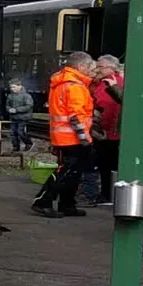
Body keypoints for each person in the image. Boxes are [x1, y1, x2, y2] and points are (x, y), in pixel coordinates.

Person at [32, 52, 97, 218]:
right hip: (71, 138)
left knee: (72, 172)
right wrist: (86, 139)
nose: (93, 72)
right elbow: (76, 116)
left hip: (63, 136)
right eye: (91, 68)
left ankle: (67, 204)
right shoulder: (75, 86)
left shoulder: (62, 82)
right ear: (81, 67)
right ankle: (43, 201)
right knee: (67, 171)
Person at [87, 54, 124, 206]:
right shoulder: (104, 83)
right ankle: (106, 194)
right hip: (105, 131)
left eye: (100, 67)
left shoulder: (115, 84)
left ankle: (107, 195)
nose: (97, 70)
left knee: (107, 164)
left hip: (109, 133)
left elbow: (112, 110)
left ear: (111, 68)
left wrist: (103, 130)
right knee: (104, 164)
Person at [4, 79, 34, 152]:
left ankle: (29, 143)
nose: (12, 89)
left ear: (19, 86)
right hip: (14, 117)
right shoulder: (10, 96)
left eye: (14, 87)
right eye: (11, 87)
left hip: (23, 117)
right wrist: (9, 109)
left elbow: (29, 106)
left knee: (20, 132)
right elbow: (7, 105)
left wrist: (16, 110)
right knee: (13, 133)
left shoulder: (26, 96)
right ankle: (15, 147)